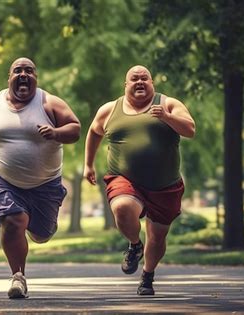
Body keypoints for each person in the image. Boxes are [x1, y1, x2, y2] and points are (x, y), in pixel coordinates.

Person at [0, 57, 80, 299]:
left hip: (45, 184)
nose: (24, 74)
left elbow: (75, 128)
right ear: (9, 78)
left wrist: (56, 133)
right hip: (2, 179)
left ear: (36, 78)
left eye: (29, 71)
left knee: (42, 234)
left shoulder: (49, 103)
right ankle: (18, 277)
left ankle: (41, 228)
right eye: (18, 70)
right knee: (14, 220)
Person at [83, 65, 195, 295]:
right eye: (134, 79)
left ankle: (147, 276)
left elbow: (190, 129)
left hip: (165, 185)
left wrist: (167, 117)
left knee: (157, 236)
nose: (140, 82)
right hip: (125, 179)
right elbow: (94, 131)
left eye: (145, 78)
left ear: (152, 83)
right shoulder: (109, 110)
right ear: (126, 85)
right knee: (123, 208)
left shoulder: (168, 104)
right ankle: (135, 245)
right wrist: (88, 164)